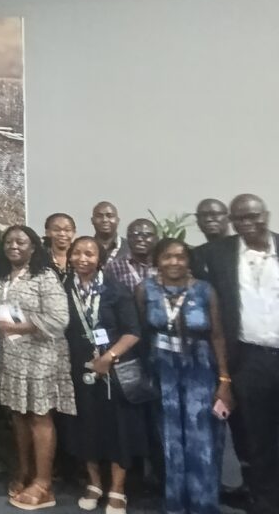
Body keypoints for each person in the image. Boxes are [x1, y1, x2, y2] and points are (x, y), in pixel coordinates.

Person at [137, 238, 232, 514]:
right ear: (157, 261)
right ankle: (175, 503)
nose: (174, 262)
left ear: (189, 260)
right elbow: (142, 333)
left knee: (201, 436)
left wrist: (224, 380)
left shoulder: (204, 290)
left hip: (200, 369)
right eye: (167, 257)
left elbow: (217, 335)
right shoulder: (145, 290)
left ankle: (203, 504)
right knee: (169, 437)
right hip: (162, 370)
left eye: (180, 256)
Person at [199, 194, 278, 514]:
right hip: (248, 358)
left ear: (266, 215)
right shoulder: (217, 254)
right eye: (240, 218)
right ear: (231, 221)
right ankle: (265, 501)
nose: (247, 223)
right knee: (255, 434)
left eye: (253, 216)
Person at [0, 225, 75, 510]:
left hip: (41, 358)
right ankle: (25, 471)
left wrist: (21, 327)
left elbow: (60, 319)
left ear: (34, 247)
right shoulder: (1, 277)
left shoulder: (44, 276)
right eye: (9, 241)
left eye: (21, 242)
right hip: (11, 358)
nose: (13, 246)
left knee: (39, 417)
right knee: (18, 416)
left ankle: (43, 483)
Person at [64, 236, 147, 513]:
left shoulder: (115, 289)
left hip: (113, 370)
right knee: (86, 427)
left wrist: (108, 358)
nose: (82, 258)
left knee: (117, 429)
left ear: (99, 258)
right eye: (77, 253)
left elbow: (133, 332)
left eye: (89, 253)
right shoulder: (65, 288)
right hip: (80, 370)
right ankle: (95, 484)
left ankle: (117, 489)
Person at [105, 218, 158, 293]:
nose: (139, 239)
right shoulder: (114, 267)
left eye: (146, 235)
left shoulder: (163, 266)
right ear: (128, 238)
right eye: (134, 235)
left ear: (156, 239)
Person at [44, 213, 76, 281]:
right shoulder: (39, 257)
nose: (62, 234)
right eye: (56, 230)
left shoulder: (79, 257)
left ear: (74, 232)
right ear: (47, 232)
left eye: (67, 230)